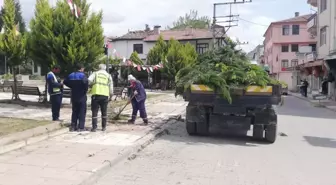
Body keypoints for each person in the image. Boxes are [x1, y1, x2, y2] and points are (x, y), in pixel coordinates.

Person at [63, 63, 89, 132]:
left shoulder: (71, 75)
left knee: (74, 111)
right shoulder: (83, 75)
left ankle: (73, 126)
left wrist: (72, 86)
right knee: (82, 111)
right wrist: (85, 90)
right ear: (81, 68)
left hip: (74, 95)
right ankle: (81, 127)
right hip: (81, 95)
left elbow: (65, 82)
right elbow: (86, 84)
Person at [88, 64, 113, 132]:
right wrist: (111, 95)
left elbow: (89, 80)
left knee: (94, 111)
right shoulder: (108, 75)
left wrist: (92, 84)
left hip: (96, 94)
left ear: (98, 68)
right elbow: (111, 87)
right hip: (105, 95)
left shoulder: (95, 73)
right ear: (105, 68)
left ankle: (94, 127)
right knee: (104, 112)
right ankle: (104, 127)